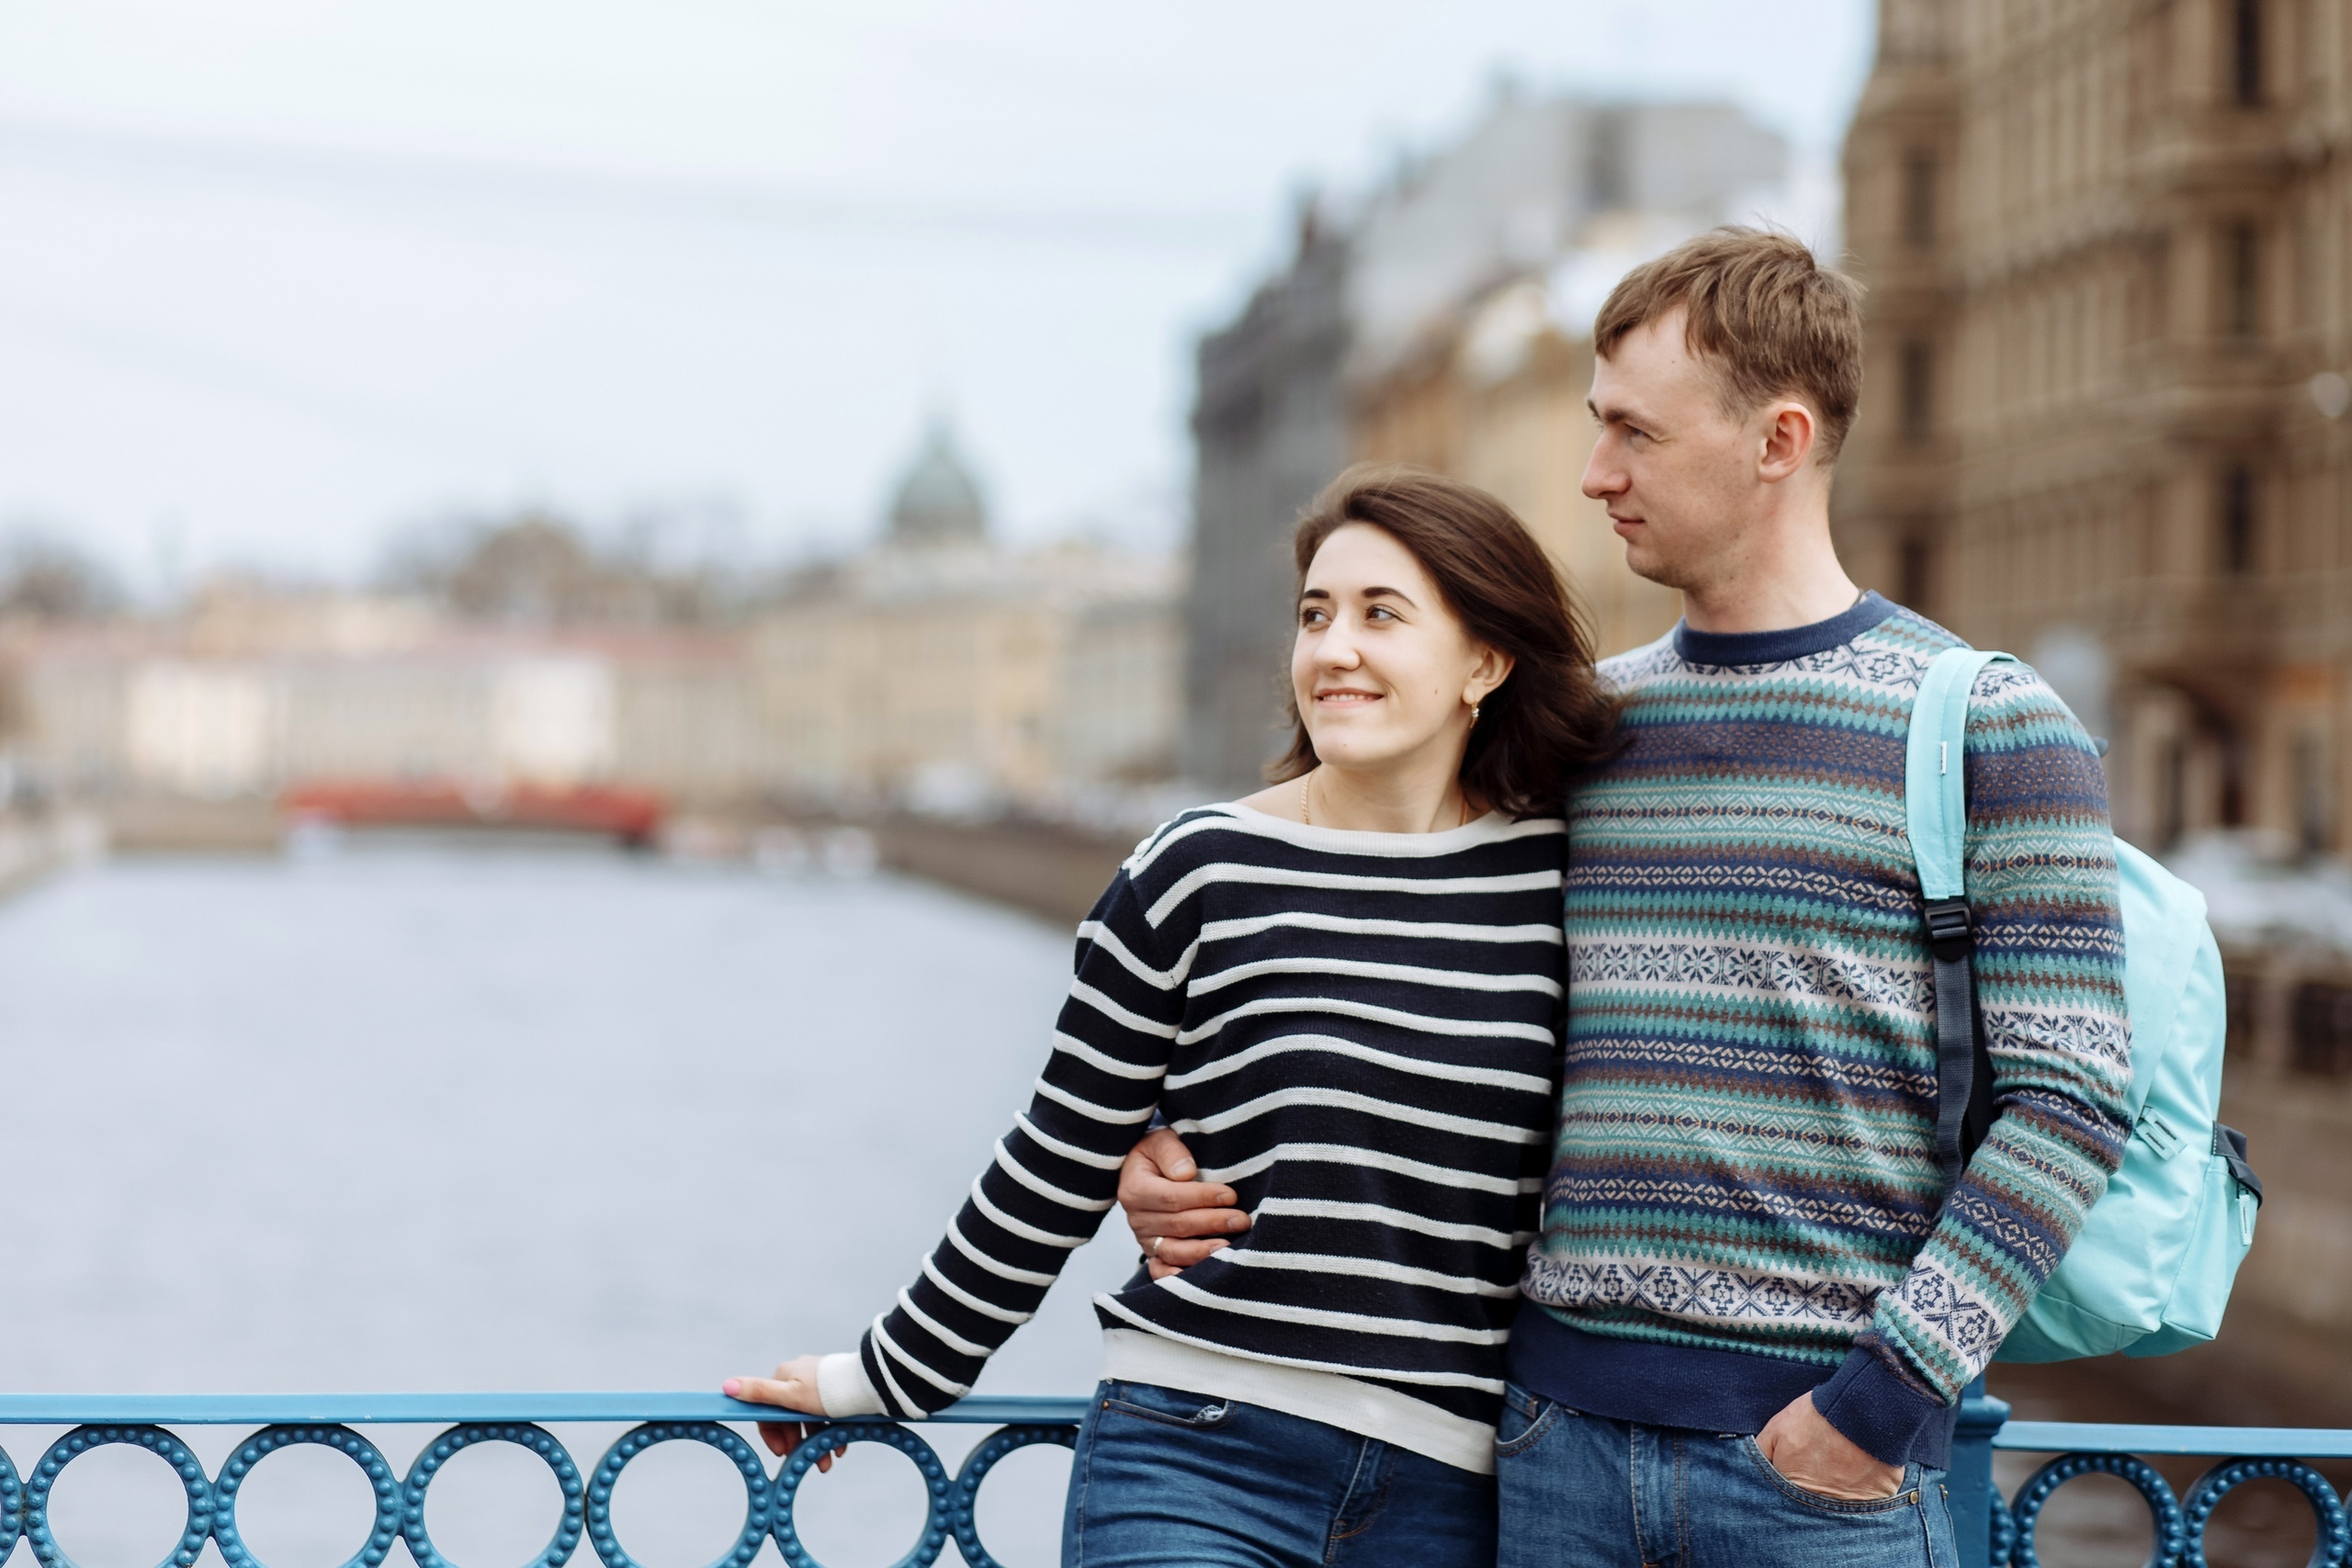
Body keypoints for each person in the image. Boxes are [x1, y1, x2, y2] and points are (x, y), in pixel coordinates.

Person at [1118, 228, 2133, 1568]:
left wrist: (1877, 1405)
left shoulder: (1987, 723)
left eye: (1636, 437)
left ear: (1777, 439)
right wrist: (1169, 1127)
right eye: (1596, 427)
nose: (1595, 475)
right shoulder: (1584, 730)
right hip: (1552, 1458)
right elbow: (1365, 938)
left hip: (1817, 1477)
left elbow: (2073, 1098)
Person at [725, 467, 1620, 1566]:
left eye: (1381, 615)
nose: (1333, 648)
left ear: (1483, 660)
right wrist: (885, 1372)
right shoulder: (1197, 867)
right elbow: (1056, 1154)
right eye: (1314, 615)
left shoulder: (1565, 882)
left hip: (1453, 1494)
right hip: (1194, 1455)